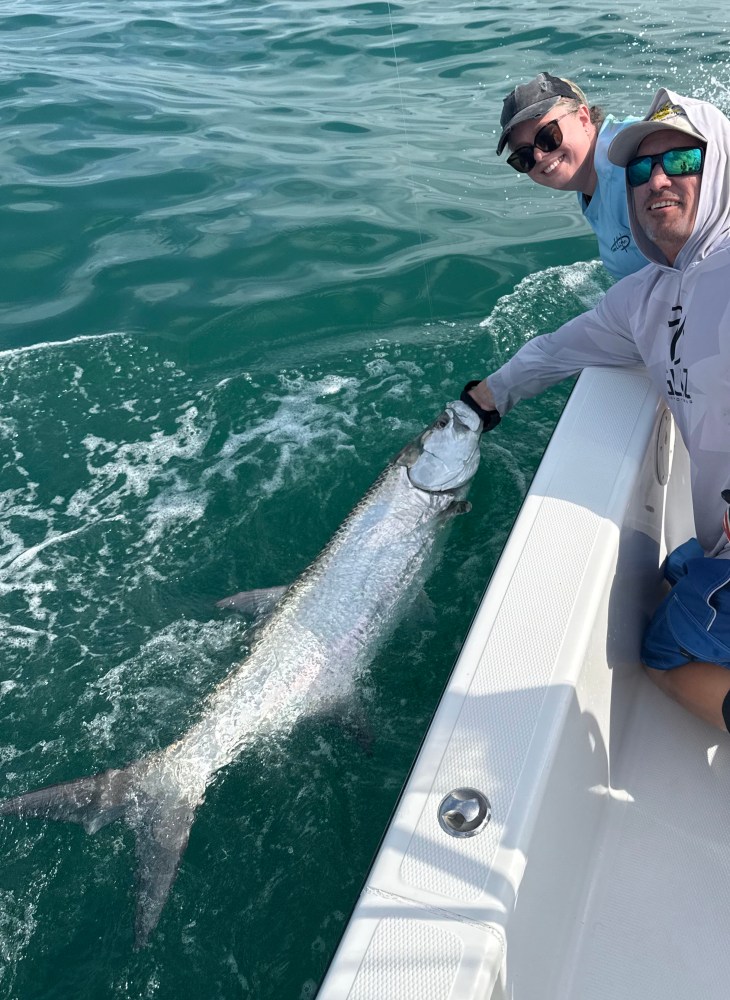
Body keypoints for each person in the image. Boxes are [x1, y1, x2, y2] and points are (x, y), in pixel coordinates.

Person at [465, 87, 730, 734]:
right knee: (671, 577)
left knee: (660, 655)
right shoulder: (643, 296)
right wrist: (487, 397)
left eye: (682, 162)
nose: (657, 180)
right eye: (640, 169)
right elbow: (558, 349)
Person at [496, 72, 647, 279]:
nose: (539, 155)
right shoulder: (589, 183)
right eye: (524, 155)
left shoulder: (630, 159)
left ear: (584, 119)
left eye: (548, 136)